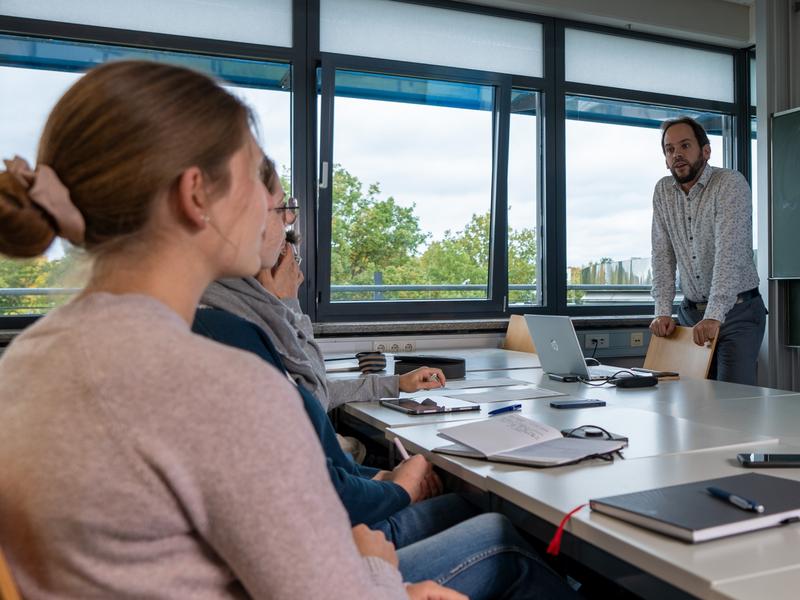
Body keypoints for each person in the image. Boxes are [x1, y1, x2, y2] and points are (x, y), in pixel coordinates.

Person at [0, 60, 577, 600]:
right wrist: (375, 565)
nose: (278, 209)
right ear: (196, 194)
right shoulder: (222, 385)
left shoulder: (28, 357)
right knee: (503, 542)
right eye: (257, 175)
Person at [201, 168, 445, 413]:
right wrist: (288, 304)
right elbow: (314, 399)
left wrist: (395, 383)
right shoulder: (235, 321)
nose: (288, 218)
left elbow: (310, 388)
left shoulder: (245, 304)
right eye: (281, 207)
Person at [649, 116, 766, 385]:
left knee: (731, 404)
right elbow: (662, 255)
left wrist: (714, 315)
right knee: (690, 402)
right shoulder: (662, 191)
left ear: (705, 150)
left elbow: (730, 253)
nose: (677, 154)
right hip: (691, 314)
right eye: (669, 149)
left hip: (738, 312)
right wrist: (662, 311)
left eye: (685, 145)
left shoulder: (729, 184)